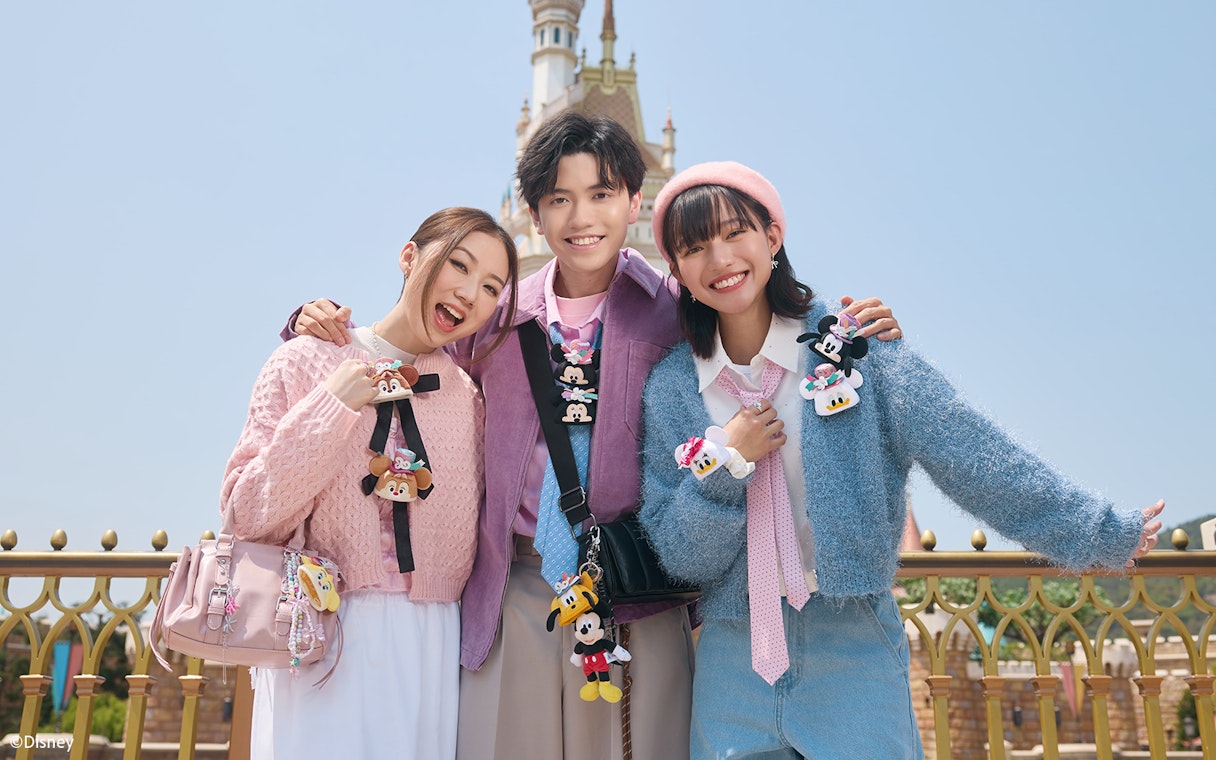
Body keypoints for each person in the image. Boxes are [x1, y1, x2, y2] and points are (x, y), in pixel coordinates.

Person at [287, 112, 902, 760]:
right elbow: (413, 350)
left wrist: (850, 330)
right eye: (559, 199)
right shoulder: (497, 315)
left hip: (636, 592)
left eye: (602, 195)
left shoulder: (674, 308)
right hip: (514, 591)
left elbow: (763, 334)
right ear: (534, 213)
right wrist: (319, 326)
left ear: (635, 200)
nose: (582, 217)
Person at [637, 160, 1166, 760]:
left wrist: (1094, 531)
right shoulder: (673, 388)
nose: (720, 259)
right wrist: (727, 463)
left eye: (736, 233)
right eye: (695, 247)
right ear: (676, 268)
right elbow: (682, 555)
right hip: (732, 658)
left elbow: (969, 451)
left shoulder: (855, 347)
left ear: (773, 237)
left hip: (852, 644)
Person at [220, 207, 519, 760]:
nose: (470, 293)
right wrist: (331, 405)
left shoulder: (466, 399)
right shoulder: (303, 360)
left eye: (491, 287)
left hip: (430, 639)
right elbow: (247, 515)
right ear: (409, 257)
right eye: (458, 264)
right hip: (320, 627)